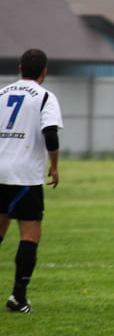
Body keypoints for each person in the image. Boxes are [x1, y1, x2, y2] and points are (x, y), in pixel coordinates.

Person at [0, 49, 63, 313]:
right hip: (24, 175)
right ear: (44, 72)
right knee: (30, 235)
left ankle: (18, 297)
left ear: (19, 68)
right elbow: (50, 135)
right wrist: (55, 166)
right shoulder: (45, 97)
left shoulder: (2, 94)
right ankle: (18, 297)